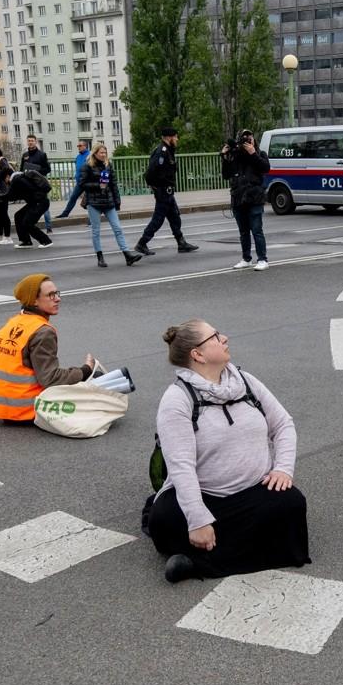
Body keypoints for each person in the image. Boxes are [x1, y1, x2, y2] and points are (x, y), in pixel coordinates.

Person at [149, 319, 307, 583]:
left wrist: (282, 468)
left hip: (252, 490)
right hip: (204, 494)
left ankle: (195, 562)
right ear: (197, 354)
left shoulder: (246, 381)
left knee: (291, 503)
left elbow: (283, 425)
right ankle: (227, 548)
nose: (225, 338)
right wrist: (198, 519)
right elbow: (180, 466)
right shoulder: (176, 400)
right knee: (166, 519)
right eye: (215, 336)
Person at [0, 273, 95, 422]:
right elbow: (50, 379)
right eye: (50, 295)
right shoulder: (43, 331)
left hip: (0, 407)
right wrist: (85, 371)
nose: (58, 298)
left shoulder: (13, 322)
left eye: (57, 293)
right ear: (34, 301)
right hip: (26, 409)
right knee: (97, 380)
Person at [135, 127, 199, 255]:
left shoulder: (169, 150)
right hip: (163, 191)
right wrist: (154, 186)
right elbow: (150, 172)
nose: (177, 139)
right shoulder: (162, 152)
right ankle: (142, 243)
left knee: (175, 217)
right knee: (158, 219)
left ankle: (181, 243)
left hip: (168, 191)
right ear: (169, 137)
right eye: (175, 137)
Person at [79, 142, 143, 268]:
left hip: (108, 202)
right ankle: (100, 257)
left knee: (118, 228)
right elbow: (82, 184)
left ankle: (128, 255)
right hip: (94, 202)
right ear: (95, 153)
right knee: (96, 231)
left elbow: (113, 184)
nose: (103, 155)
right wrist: (98, 185)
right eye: (101, 153)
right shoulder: (87, 166)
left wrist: (117, 201)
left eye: (105, 153)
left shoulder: (108, 165)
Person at [222, 129, 271, 270]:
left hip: (254, 197)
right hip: (238, 197)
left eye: (250, 137)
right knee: (243, 231)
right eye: (245, 139)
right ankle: (246, 258)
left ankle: (262, 259)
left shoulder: (259, 154)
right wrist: (225, 157)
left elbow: (265, 168)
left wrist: (252, 153)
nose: (249, 140)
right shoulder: (236, 156)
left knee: (256, 229)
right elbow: (226, 175)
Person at [8, 169, 53, 248]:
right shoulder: (20, 179)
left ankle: (46, 241)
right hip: (35, 202)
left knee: (28, 222)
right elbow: (15, 196)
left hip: (39, 202)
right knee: (18, 216)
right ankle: (26, 241)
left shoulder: (17, 180)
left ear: (7, 176)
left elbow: (11, 196)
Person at [20, 134, 53, 234]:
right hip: (29, 183)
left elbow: (48, 169)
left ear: (36, 142)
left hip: (40, 182)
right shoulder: (25, 155)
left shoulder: (42, 154)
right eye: (29, 141)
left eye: (32, 141)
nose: (30, 142)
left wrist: (36, 171)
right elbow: (21, 169)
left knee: (43, 202)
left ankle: (49, 226)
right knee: (31, 203)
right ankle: (31, 224)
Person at [55, 140, 90, 219]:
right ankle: (65, 213)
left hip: (88, 182)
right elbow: (78, 168)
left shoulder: (89, 155)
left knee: (90, 201)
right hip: (79, 182)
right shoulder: (78, 156)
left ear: (85, 146)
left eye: (80, 146)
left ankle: (92, 219)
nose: (78, 147)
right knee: (73, 197)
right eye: (78, 146)